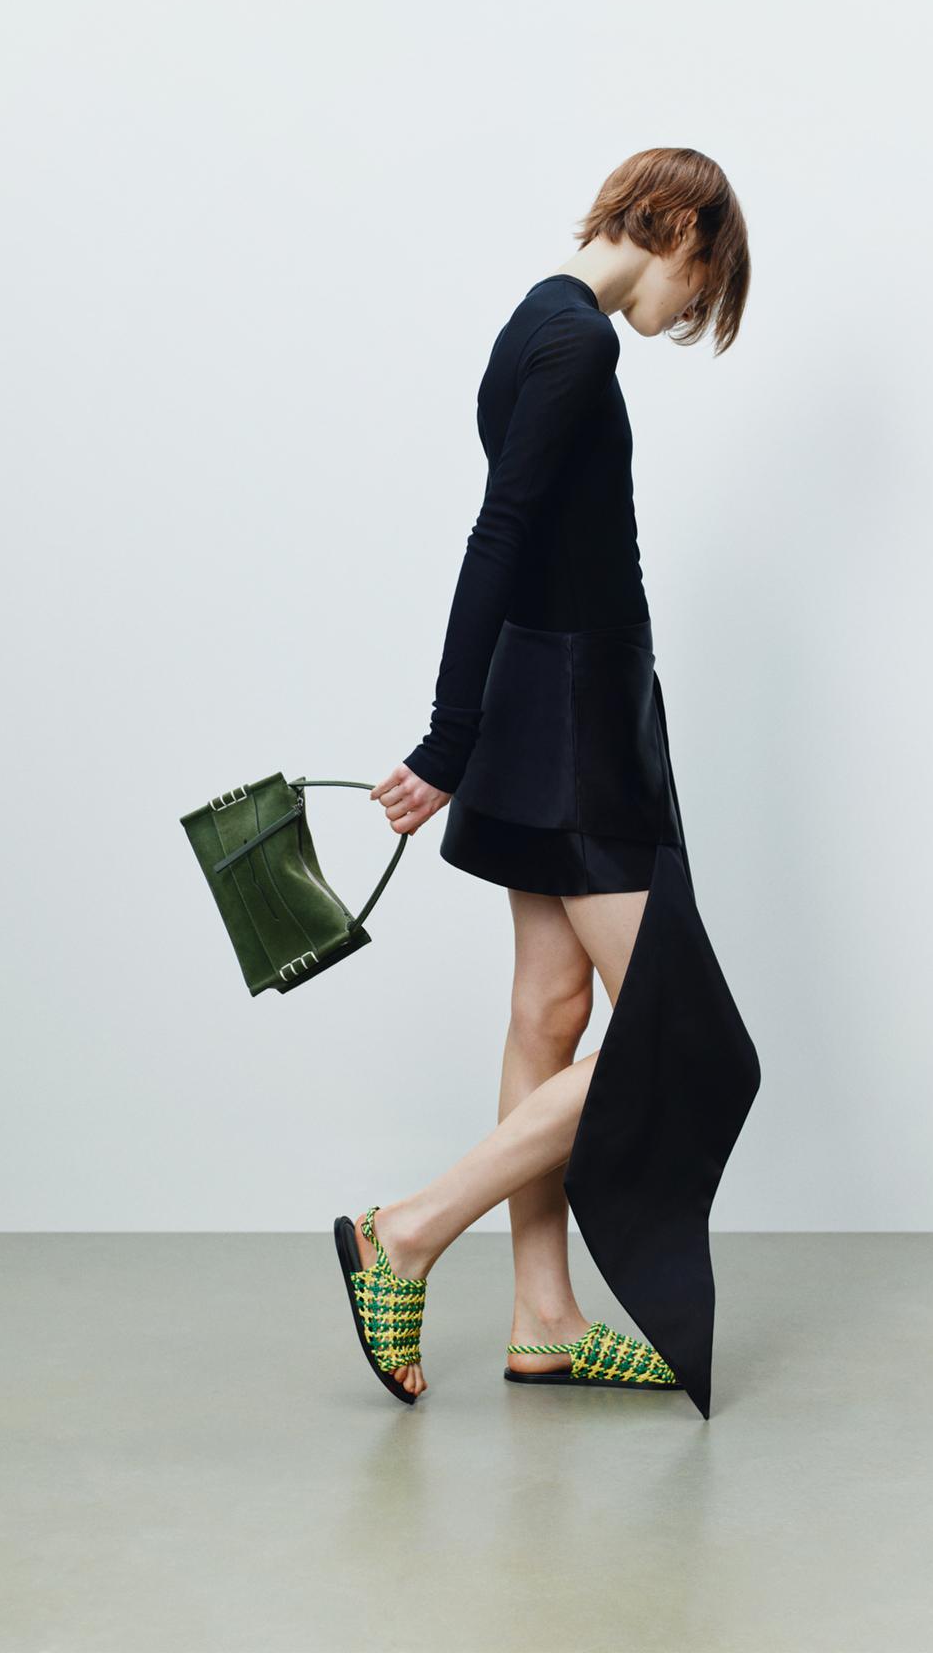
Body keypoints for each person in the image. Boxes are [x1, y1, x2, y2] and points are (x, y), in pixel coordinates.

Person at [334, 147, 761, 1418]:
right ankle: (407, 1232)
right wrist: (445, 738)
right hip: (575, 715)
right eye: (704, 281)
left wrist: (474, 730)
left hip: (549, 700)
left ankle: (544, 1317)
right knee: (686, 1039)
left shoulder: (534, 318)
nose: (691, 310)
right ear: (674, 223)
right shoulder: (578, 344)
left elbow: (524, 534)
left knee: (551, 1010)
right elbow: (502, 532)